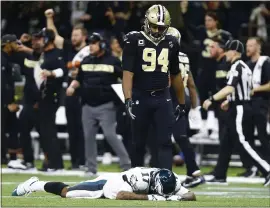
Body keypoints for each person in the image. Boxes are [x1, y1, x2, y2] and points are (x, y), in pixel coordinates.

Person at [122, 5, 186, 170]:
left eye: (161, 27)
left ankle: (166, 180)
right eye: (154, 26)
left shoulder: (172, 42)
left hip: (162, 97)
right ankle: (135, 180)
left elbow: (176, 74)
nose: (157, 31)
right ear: (146, 22)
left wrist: (181, 102)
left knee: (165, 142)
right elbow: (128, 73)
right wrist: (128, 98)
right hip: (140, 95)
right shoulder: (133, 40)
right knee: (138, 143)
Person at [203, 39, 270, 187]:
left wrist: (212, 99)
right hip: (240, 105)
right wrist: (229, 101)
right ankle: (220, 174)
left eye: (227, 51)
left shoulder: (236, 67)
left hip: (240, 108)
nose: (225, 54)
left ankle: (267, 170)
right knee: (226, 142)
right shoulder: (245, 66)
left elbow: (230, 88)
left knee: (244, 142)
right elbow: (243, 89)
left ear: (233, 52)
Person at [66, 32, 131, 176]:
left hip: (106, 105)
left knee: (110, 135)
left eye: (94, 43)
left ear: (101, 44)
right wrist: (72, 86)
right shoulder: (86, 61)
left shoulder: (113, 61)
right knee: (88, 136)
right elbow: (79, 79)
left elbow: (126, 77)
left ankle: (126, 165)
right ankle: (91, 168)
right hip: (87, 105)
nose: (91, 46)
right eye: (89, 43)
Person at [45, 8, 87, 169]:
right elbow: (54, 37)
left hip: (83, 92)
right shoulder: (69, 48)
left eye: (76, 35)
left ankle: (83, 161)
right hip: (69, 93)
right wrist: (50, 19)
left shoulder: (89, 51)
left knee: (81, 128)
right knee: (71, 128)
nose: (73, 38)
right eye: (72, 35)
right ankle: (75, 161)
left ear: (84, 37)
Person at [12, 167, 196, 201]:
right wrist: (153, 198)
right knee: (66, 193)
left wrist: (177, 198)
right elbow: (122, 195)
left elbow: (191, 195)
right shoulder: (140, 179)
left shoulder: (171, 179)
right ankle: (34, 184)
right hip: (110, 184)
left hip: (119, 185)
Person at [33, 28, 66, 171]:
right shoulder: (43, 54)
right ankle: (48, 161)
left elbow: (62, 71)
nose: (39, 41)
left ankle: (56, 163)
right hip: (42, 97)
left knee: (49, 131)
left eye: (41, 38)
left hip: (51, 96)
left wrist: (51, 73)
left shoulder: (57, 54)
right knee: (43, 131)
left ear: (47, 39)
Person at [245, 37, 270, 172]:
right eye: (247, 45)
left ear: (258, 46)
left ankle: (268, 166)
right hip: (248, 104)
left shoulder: (265, 62)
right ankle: (253, 167)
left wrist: (255, 90)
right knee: (247, 137)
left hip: (261, 104)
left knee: (262, 136)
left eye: (251, 45)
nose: (247, 48)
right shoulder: (247, 65)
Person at [1, 34, 22, 168]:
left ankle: (12, 157)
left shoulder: (8, 58)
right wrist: (6, 103)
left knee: (14, 129)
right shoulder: (2, 59)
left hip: (9, 102)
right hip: (4, 103)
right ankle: (3, 157)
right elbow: (2, 84)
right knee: (2, 130)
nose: (17, 45)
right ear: (8, 43)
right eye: (15, 43)